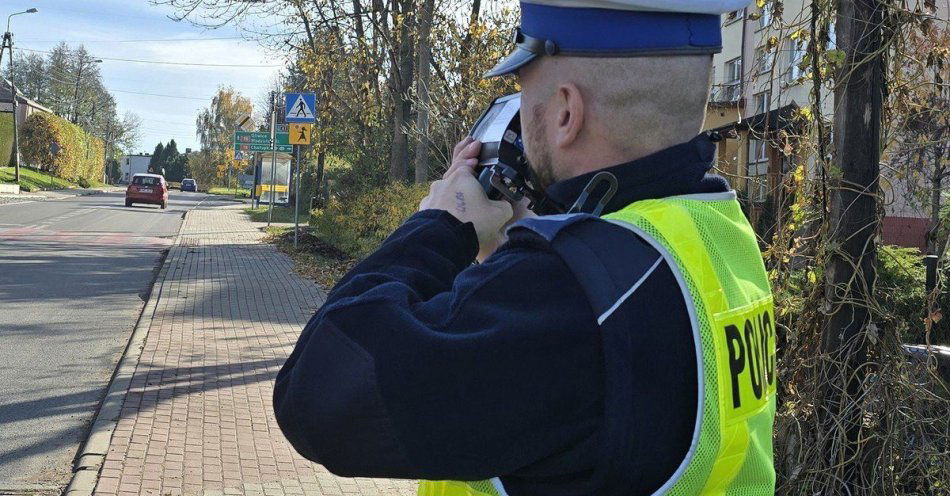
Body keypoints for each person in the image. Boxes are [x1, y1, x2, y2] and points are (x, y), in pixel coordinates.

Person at [273, 1, 778, 495]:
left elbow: (317, 396)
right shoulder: (717, 232)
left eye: (522, 91)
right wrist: (516, 248)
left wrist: (440, 225)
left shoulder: (564, 290)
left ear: (565, 112)